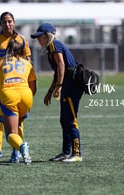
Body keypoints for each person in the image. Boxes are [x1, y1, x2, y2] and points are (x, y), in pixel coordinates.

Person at [31, 22, 85, 162]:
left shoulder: (55, 44)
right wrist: (50, 91)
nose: (38, 39)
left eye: (39, 36)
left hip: (72, 86)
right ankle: (66, 152)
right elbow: (57, 73)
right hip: (66, 85)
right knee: (64, 120)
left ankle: (77, 154)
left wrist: (59, 86)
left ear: (47, 35)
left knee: (71, 119)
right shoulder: (50, 48)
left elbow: (61, 65)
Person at [0, 11, 31, 161]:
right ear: (0, 24)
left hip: (16, 85)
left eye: (10, 21)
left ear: (14, 22)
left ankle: (16, 152)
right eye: (4, 21)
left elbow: (28, 61)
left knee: (18, 119)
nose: (7, 24)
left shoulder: (21, 40)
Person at [0, 39, 37, 165]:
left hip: (9, 95)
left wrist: (1, 98)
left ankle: (22, 147)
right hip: (26, 95)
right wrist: (28, 98)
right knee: (18, 125)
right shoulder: (27, 63)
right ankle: (15, 155)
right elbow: (33, 86)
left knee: (10, 134)